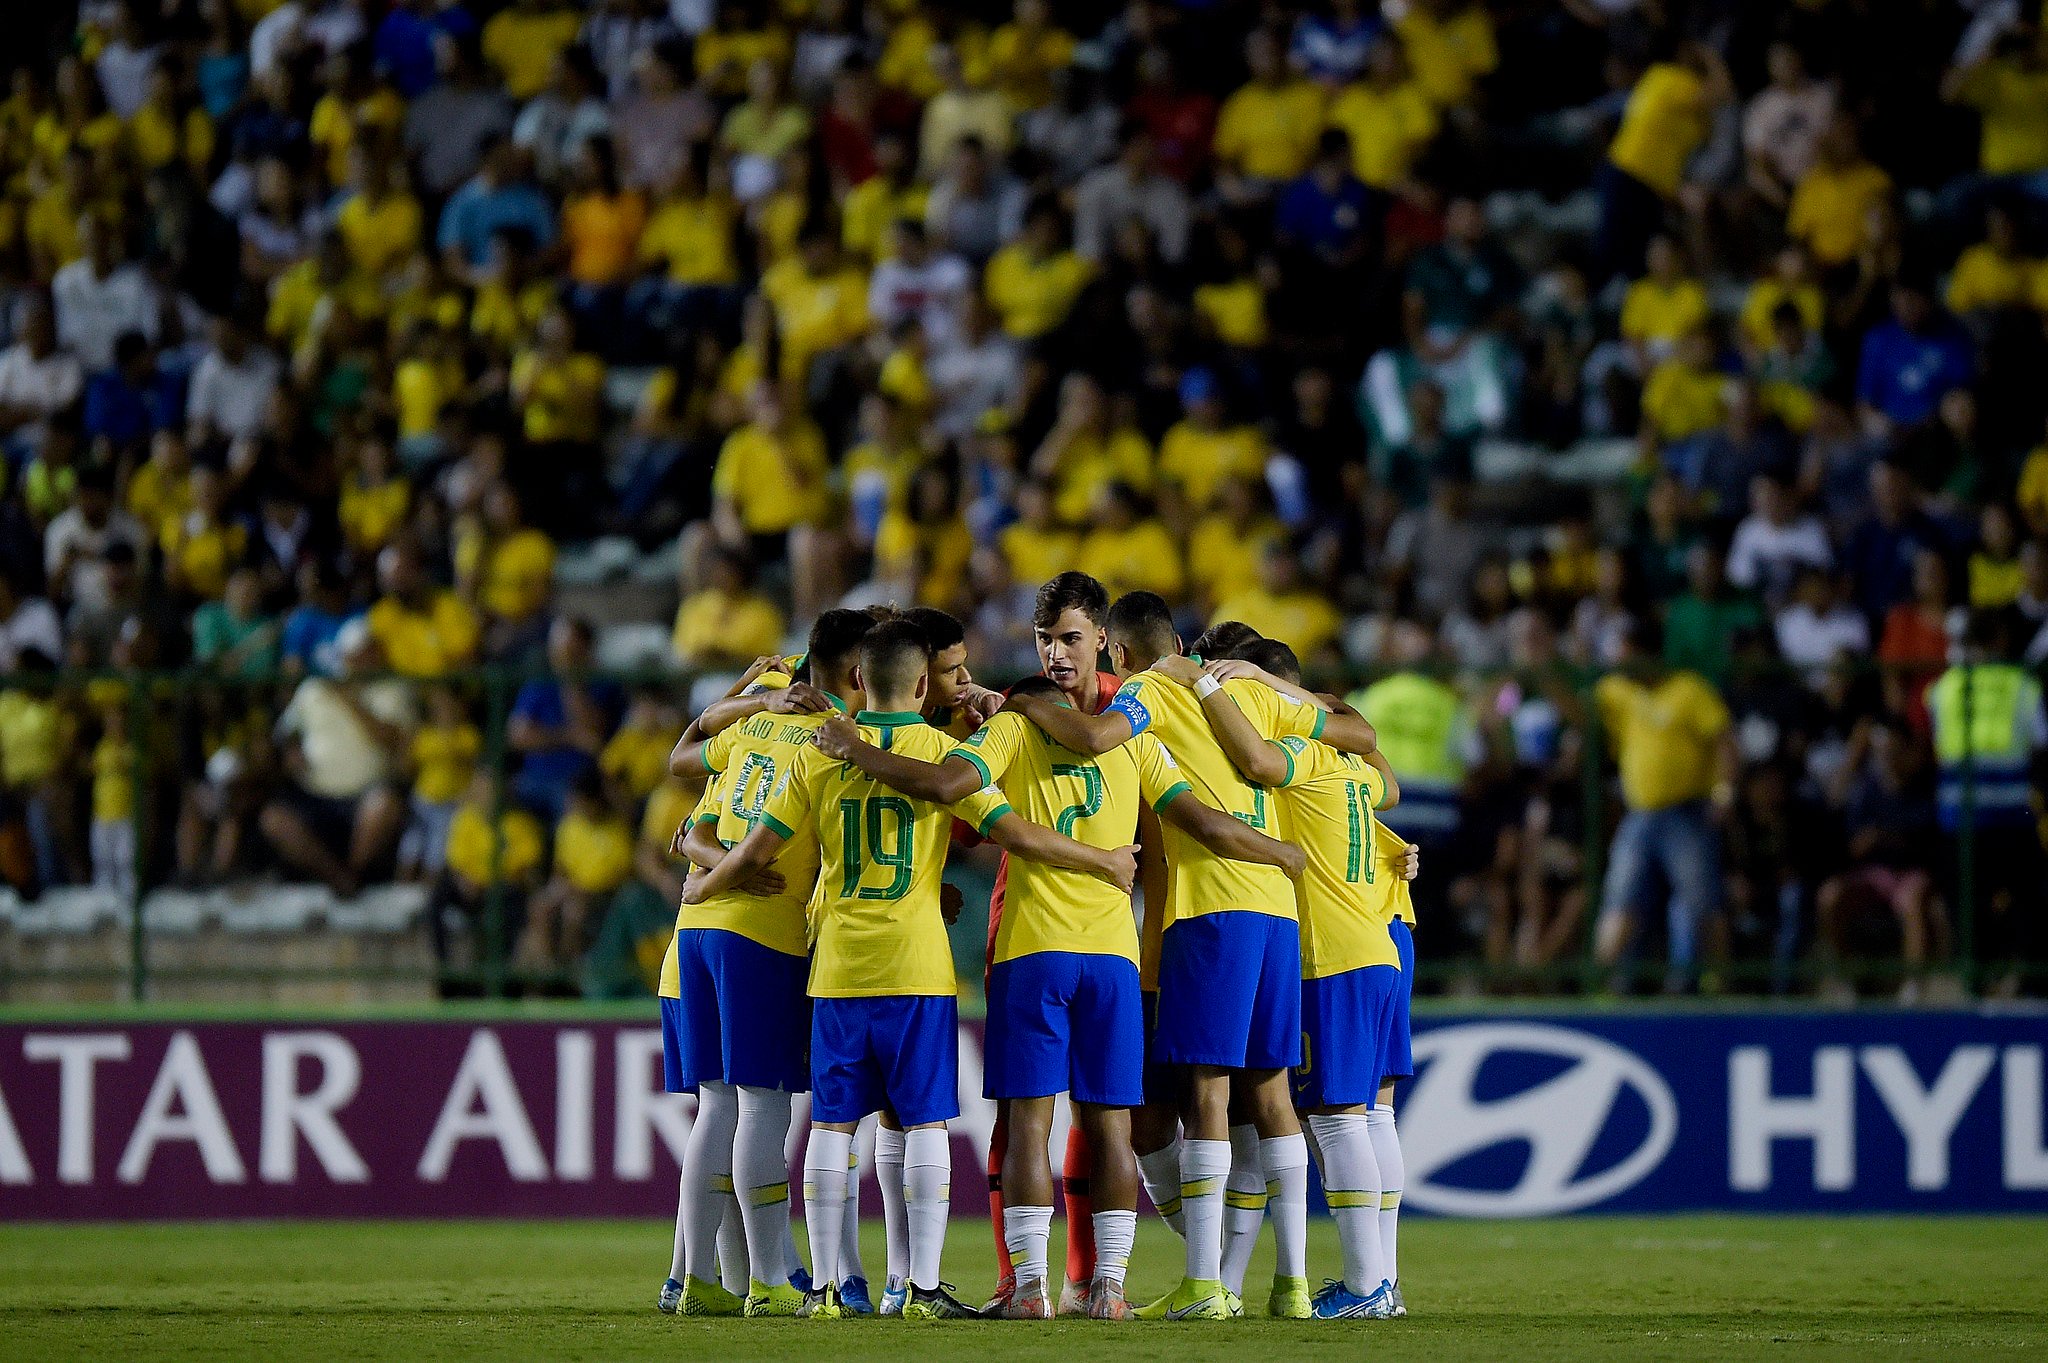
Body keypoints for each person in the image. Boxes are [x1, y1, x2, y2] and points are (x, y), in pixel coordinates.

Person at [813, 659, 1305, 1319]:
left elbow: (949, 782)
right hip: (1111, 959)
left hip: (1033, 950)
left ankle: (1031, 1290)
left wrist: (860, 748)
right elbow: (1207, 822)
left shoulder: (1014, 729)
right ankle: (1111, 1289)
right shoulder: (1135, 738)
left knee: (1030, 1124)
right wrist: (1283, 852)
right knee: (1111, 1126)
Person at [683, 620, 1138, 1321]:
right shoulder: (941, 751)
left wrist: (703, 882)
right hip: (918, 968)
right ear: (923, 684)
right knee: (923, 1125)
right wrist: (1103, 860)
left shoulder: (820, 750)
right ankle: (919, 1288)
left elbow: (756, 852)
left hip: (836, 966)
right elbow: (1014, 831)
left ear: (859, 680)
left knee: (832, 1127)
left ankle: (830, 1289)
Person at [999, 591, 1378, 1321]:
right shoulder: (1243, 690)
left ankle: (1206, 1280)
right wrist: (1270, 684)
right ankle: (1292, 1283)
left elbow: (1100, 738)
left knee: (1205, 1096)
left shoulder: (1147, 688)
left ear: (1117, 650)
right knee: (1271, 1097)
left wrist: (1025, 702)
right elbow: (1358, 732)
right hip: (1277, 914)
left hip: (1212, 908)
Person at [658, 608, 879, 1320]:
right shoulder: (832, 741)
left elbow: (690, 810)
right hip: (761, 930)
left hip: (695, 928)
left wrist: (711, 869)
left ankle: (692, 1276)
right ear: (855, 674)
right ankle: (769, 1278)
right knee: (762, 1105)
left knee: (717, 1104)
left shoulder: (752, 726)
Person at [1189, 636, 1410, 1318]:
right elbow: (1391, 784)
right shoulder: (1351, 765)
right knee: (1373, 1115)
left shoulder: (1302, 758)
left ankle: (1368, 1286)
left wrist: (1211, 688)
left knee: (1338, 1121)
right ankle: (1385, 1281)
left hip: (1329, 954)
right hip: (1381, 944)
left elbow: (1257, 757)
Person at [1592, 616, 1737, 992]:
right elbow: (1578, 712)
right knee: (1620, 896)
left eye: (1625, 653)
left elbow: (1724, 740)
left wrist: (1725, 792)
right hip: (1639, 815)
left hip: (1687, 813)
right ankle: (1603, 989)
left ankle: (1719, 983)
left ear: (1645, 653)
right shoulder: (1618, 692)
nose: (1619, 663)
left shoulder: (1688, 689)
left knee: (1702, 900)